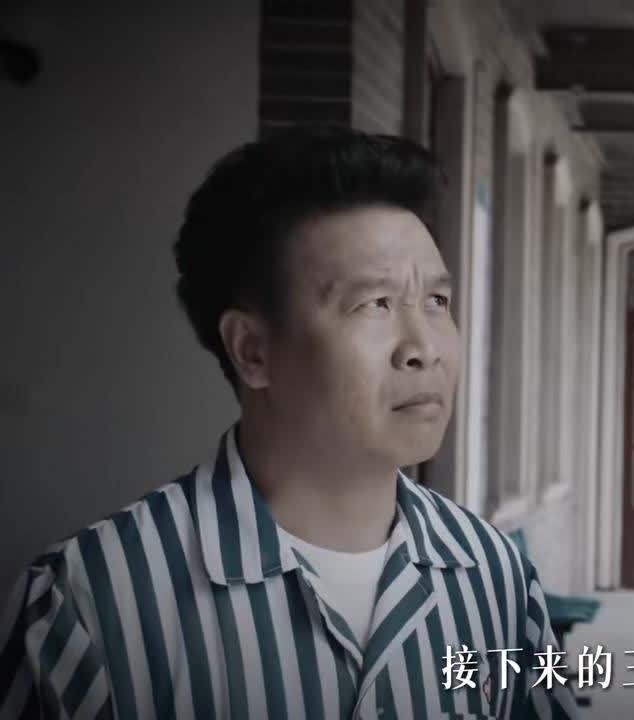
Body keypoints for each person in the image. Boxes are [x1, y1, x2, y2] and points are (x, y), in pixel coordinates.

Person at [0, 126, 579, 719]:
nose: (424, 349)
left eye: (436, 302)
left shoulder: (494, 575)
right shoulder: (92, 600)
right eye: (374, 304)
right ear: (251, 350)